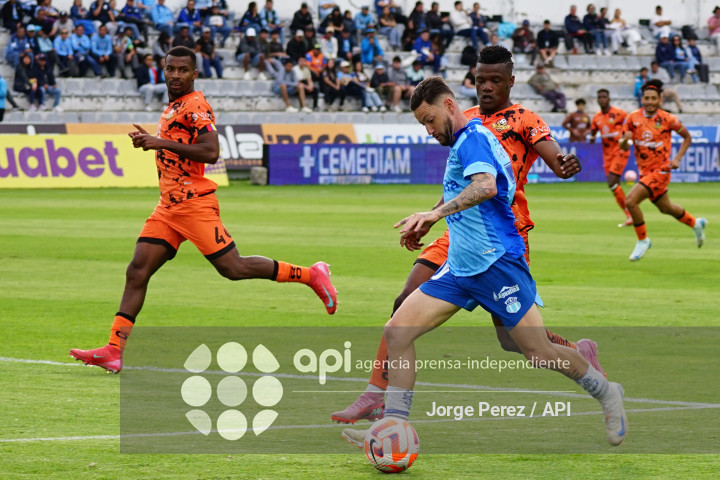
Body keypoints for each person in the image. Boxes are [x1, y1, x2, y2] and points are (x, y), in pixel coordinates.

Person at [337, 76, 628, 449]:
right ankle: (392, 426)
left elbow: (486, 186)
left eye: (429, 120)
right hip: (460, 268)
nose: (428, 130)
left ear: (448, 106)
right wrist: (428, 218)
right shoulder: (463, 139)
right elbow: (467, 192)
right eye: (422, 124)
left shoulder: (472, 138)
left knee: (537, 352)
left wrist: (433, 215)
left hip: (497, 264)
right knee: (397, 331)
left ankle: (606, 392)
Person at [70, 46, 338, 373]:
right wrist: (153, 141)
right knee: (137, 271)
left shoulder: (196, 105)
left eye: (183, 70)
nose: (175, 75)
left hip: (194, 204)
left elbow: (211, 152)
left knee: (233, 268)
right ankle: (114, 349)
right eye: (170, 69)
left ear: (194, 74)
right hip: (169, 207)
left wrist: (159, 143)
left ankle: (312, 275)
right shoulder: (174, 106)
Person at [619, 79, 706, 261]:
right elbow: (626, 143)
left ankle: (643, 240)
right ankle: (695, 223)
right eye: (647, 98)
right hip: (644, 172)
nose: (650, 102)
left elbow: (687, 137)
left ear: (660, 100)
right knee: (666, 208)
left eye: (653, 98)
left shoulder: (668, 119)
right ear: (642, 99)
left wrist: (677, 159)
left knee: (631, 201)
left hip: (661, 171)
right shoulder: (633, 118)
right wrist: (624, 142)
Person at [588, 89, 632, 226]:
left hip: (620, 151)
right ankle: (630, 215)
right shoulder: (596, 118)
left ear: (609, 98)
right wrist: (592, 137)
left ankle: (630, 212)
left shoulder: (620, 114)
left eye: (604, 97)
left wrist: (626, 137)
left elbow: (630, 126)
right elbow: (593, 132)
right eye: (599, 97)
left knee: (611, 182)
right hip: (607, 155)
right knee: (614, 186)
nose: (602, 99)